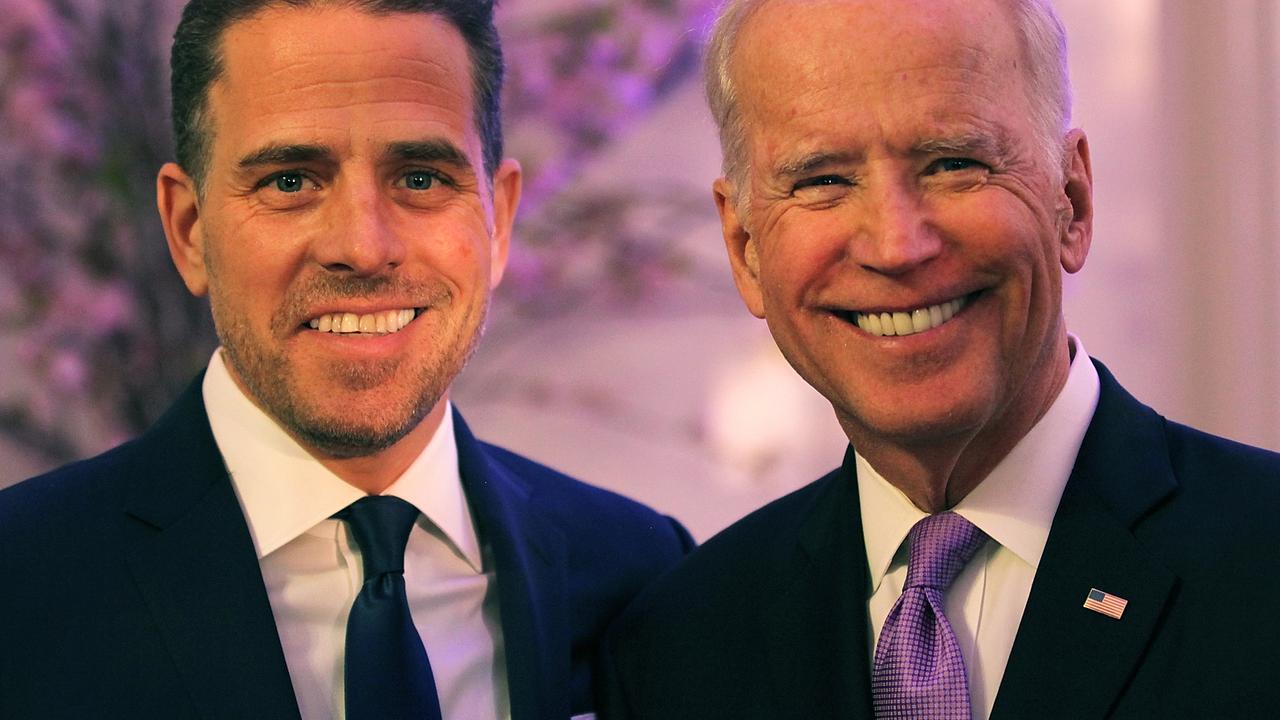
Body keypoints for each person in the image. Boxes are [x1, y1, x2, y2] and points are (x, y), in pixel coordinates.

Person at [0, 1, 692, 718]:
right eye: (291, 181)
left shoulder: (642, 575)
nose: (362, 247)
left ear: (499, 220)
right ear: (189, 229)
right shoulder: (20, 584)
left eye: (421, 178)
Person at [599, 0, 1280, 717]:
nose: (896, 246)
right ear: (745, 249)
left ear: (1071, 202)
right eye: (822, 180)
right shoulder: (677, 643)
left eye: (955, 163)